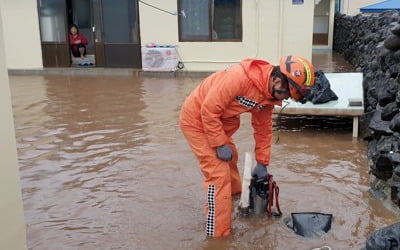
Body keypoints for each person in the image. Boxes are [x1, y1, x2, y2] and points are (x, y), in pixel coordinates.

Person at [179, 56, 315, 237]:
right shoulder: (239, 78)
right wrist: (219, 144)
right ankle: (218, 234)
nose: (284, 99)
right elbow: (208, 110)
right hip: (197, 121)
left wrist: (262, 162)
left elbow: (263, 130)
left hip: (218, 124)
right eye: (286, 94)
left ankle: (234, 201)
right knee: (218, 175)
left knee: (232, 157)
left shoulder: (268, 96)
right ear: (276, 80)